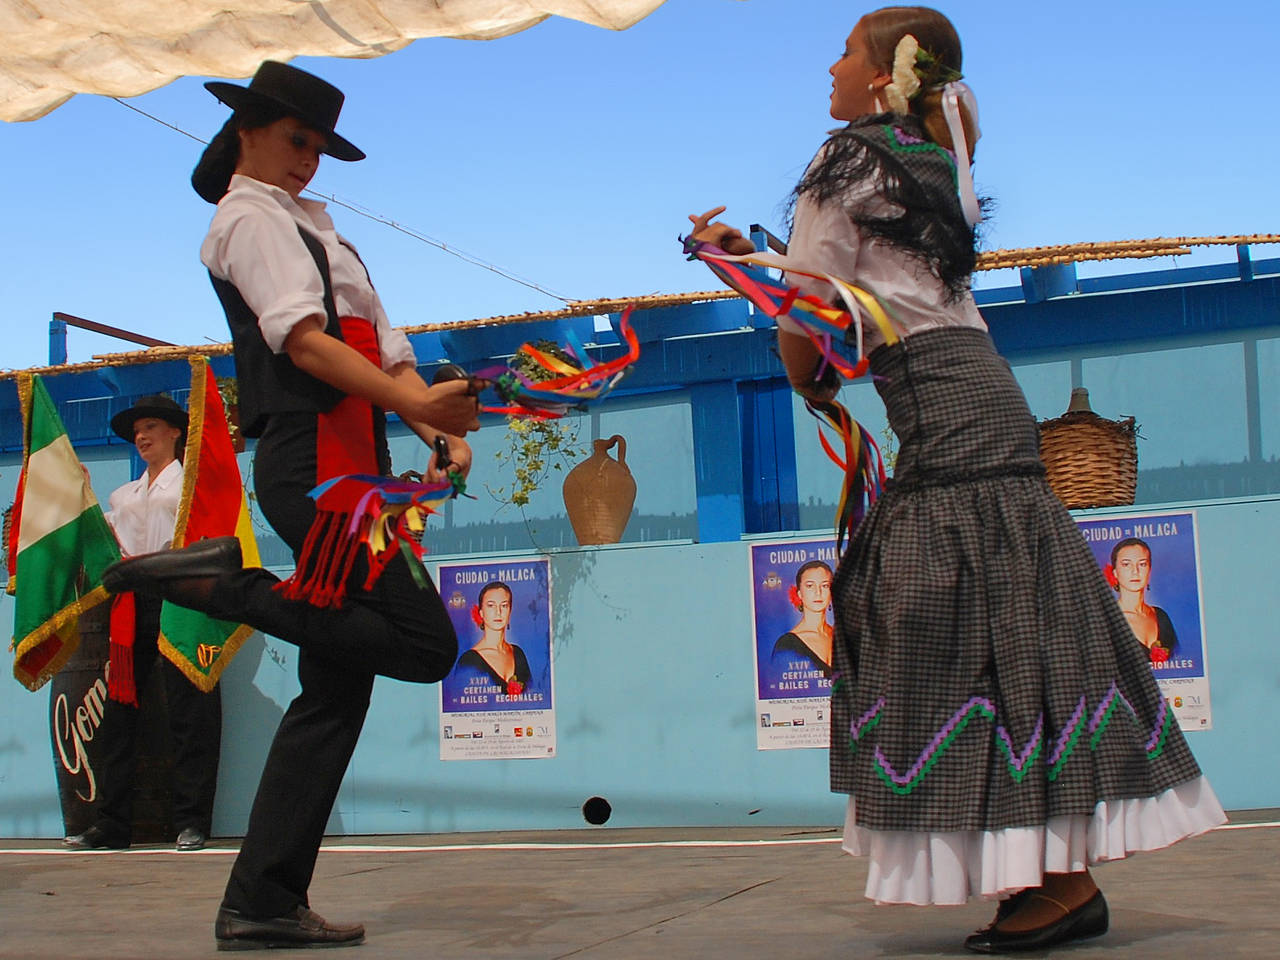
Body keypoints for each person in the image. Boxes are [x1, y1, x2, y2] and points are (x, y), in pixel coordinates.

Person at [688, 6, 1224, 953]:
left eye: (845, 49)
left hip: (944, 411)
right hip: (981, 395)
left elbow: (814, 313)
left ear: (885, 71)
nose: (829, 63)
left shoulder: (844, 158)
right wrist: (757, 270)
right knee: (1009, 621)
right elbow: (873, 294)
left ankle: (1057, 882)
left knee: (933, 620)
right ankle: (1051, 878)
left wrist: (778, 324)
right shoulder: (934, 157)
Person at [102, 61, 481, 951]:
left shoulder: (321, 230)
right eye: (295, 140)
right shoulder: (248, 219)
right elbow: (305, 346)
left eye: (318, 148)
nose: (308, 161)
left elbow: (387, 352)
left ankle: (262, 900)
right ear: (249, 131)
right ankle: (222, 585)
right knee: (426, 647)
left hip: (357, 458)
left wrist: (430, 426)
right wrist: (418, 408)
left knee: (333, 694)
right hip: (313, 463)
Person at [64, 395, 222, 853]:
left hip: (181, 596)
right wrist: (82, 492)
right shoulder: (124, 496)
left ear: (175, 432)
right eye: (136, 431)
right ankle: (112, 824)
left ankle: (192, 820)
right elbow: (103, 539)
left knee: (191, 709)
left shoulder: (192, 485)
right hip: (132, 603)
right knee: (118, 714)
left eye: (151, 426)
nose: (142, 436)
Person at [454, 581, 532, 694]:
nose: (498, 612)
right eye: (491, 606)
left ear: (510, 611)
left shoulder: (518, 653)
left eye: (504, 606)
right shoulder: (468, 661)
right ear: (481, 613)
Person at [1108, 537, 1178, 662]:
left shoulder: (1161, 616)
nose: (1135, 571)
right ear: (1115, 573)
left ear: (1149, 571)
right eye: (1126, 564)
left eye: (1142, 564)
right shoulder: (1105, 621)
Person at [772, 560, 834, 676]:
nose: (818, 592)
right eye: (810, 586)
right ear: (800, 594)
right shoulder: (786, 644)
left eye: (825, 585)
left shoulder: (840, 637)